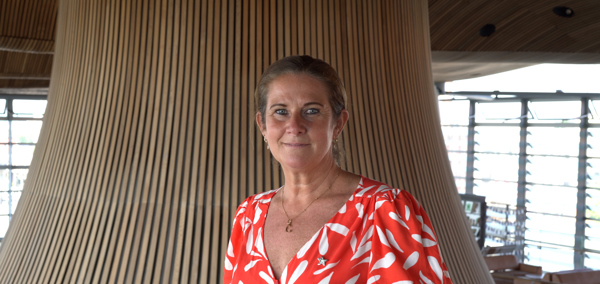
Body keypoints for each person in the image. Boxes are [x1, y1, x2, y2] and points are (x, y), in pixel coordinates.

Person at [224, 55, 452, 284]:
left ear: (338, 123)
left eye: (311, 111)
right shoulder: (248, 216)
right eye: (281, 111)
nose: (294, 126)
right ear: (262, 124)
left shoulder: (383, 211)